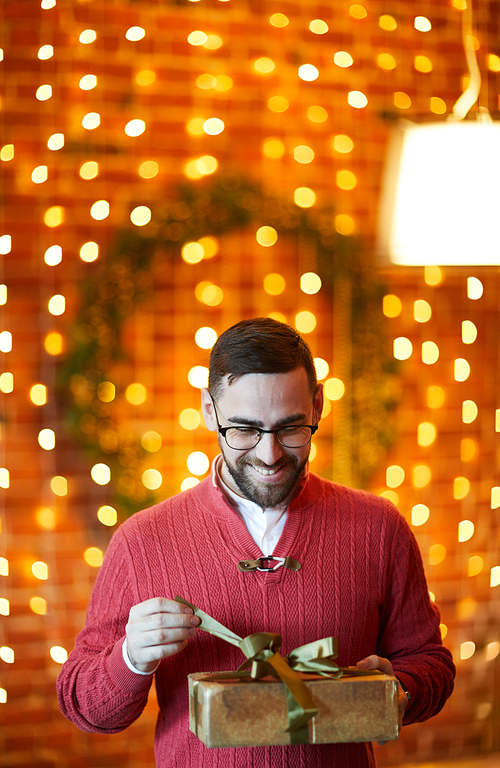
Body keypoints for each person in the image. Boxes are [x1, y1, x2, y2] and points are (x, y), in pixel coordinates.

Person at [57, 317, 455, 768]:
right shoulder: (142, 540)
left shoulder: (378, 527)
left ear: (318, 406)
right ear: (209, 410)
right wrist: (130, 658)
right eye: (244, 430)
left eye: (290, 428)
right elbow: (83, 706)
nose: (270, 455)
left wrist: (401, 691)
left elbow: (430, 662)